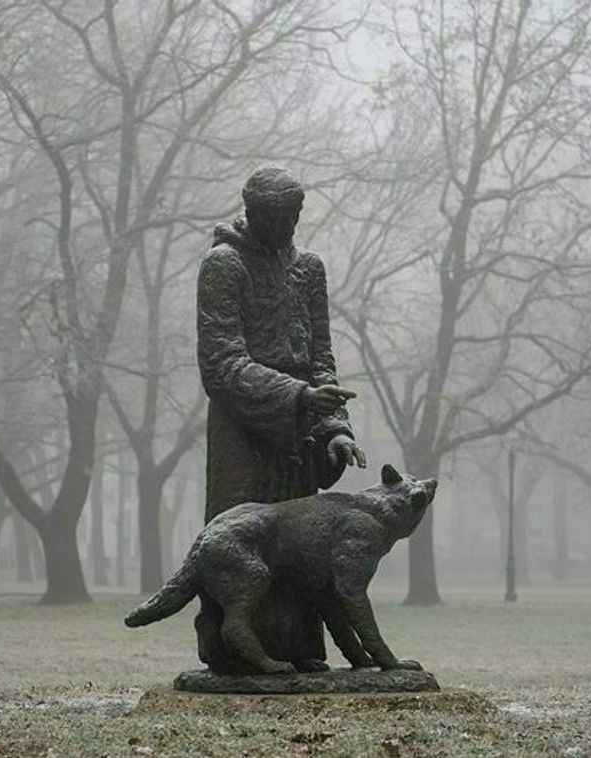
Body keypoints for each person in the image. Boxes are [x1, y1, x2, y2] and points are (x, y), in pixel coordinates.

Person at [194, 167, 366, 673]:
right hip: (245, 431)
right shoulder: (224, 266)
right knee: (241, 544)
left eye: (294, 216)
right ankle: (234, 654)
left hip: (301, 427)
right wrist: (297, 396)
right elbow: (221, 363)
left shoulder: (308, 269)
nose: (287, 226)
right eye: (276, 217)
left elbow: (322, 356)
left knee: (299, 551)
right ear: (251, 212)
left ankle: (297, 650)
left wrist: (335, 426)